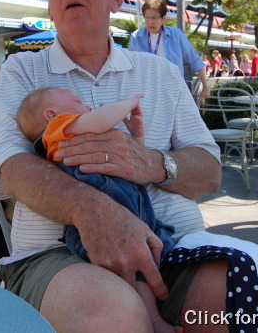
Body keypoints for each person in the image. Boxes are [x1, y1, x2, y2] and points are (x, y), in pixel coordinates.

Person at [0, 0, 258, 331]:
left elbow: (209, 171)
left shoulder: (160, 72)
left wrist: (152, 163)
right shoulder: (21, 71)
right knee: (111, 314)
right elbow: (11, 169)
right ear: (50, 4)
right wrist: (90, 210)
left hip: (171, 241)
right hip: (54, 253)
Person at [17, 88, 179, 333]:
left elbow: (132, 162)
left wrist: (137, 136)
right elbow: (100, 119)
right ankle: (154, 320)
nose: (88, 107)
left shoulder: (75, 133)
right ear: (52, 115)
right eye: (78, 101)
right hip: (108, 226)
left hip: (133, 214)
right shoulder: (57, 128)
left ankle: (154, 319)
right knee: (136, 272)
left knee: (143, 268)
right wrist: (128, 102)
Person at [128, 0, 210, 100]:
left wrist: (205, 86)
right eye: (147, 17)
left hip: (173, 91)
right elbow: (129, 65)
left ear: (164, 19)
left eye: (154, 17)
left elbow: (195, 59)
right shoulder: (136, 37)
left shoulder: (176, 35)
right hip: (146, 91)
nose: (150, 22)